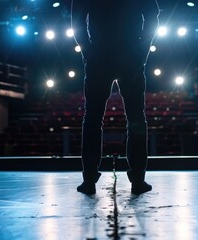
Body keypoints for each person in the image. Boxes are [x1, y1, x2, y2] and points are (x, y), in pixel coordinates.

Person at [71, 0, 159, 194]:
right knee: (136, 118)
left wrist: (88, 52)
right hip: (130, 56)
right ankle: (137, 180)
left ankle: (89, 180)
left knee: (93, 118)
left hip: (100, 57)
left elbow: (76, 21)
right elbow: (153, 15)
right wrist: (141, 52)